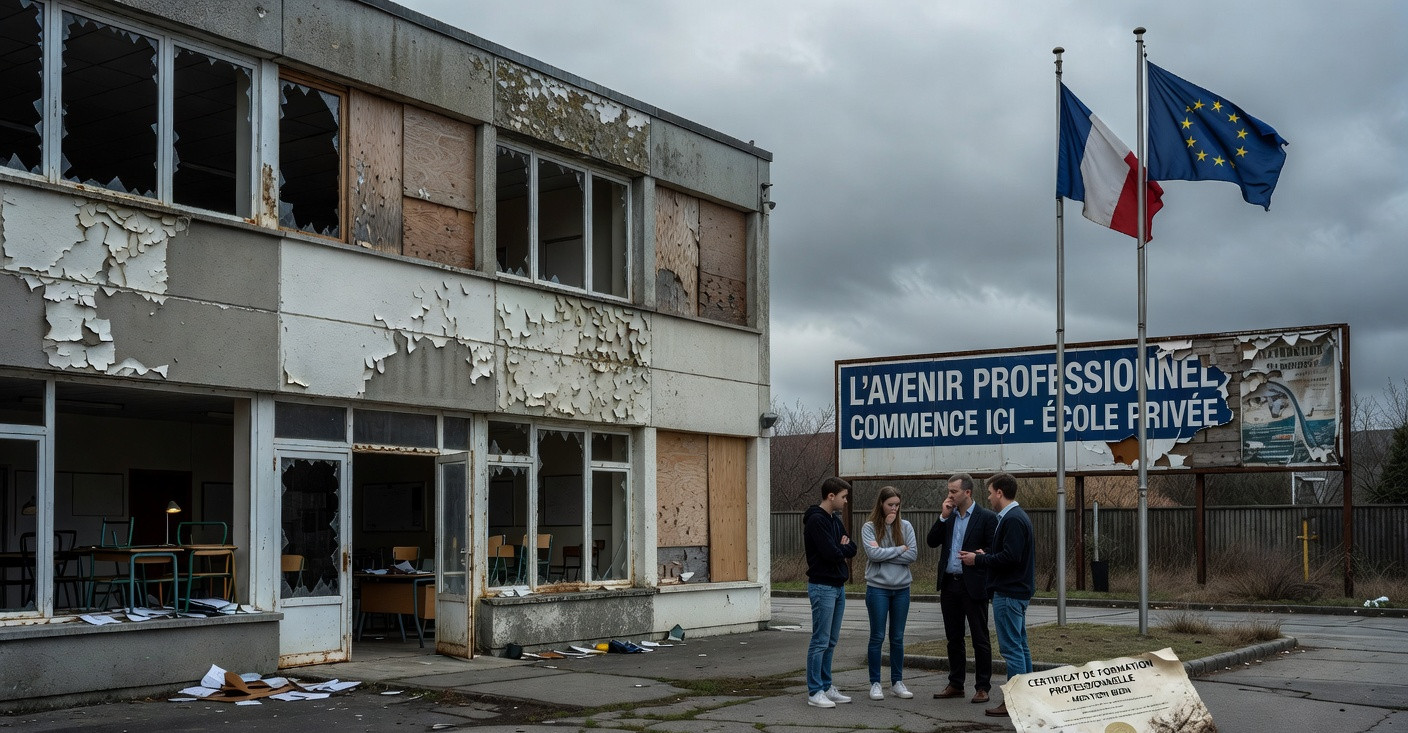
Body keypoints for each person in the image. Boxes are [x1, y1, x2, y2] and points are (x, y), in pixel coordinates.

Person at [960, 472, 1035, 719]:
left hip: (1009, 592)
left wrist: (978, 559)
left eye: (991, 492)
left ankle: (1013, 702)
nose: (989, 497)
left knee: (1011, 649)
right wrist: (988, 553)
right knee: (1020, 646)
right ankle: (1026, 699)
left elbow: (1010, 557)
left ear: (1000, 493)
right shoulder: (1015, 516)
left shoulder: (1012, 519)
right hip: (1016, 591)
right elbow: (1009, 552)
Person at [926, 473, 998, 704]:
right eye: (949, 491)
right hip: (950, 584)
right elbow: (931, 541)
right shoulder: (950, 517)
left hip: (974, 584)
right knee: (953, 637)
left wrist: (979, 555)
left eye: (954, 491)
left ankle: (982, 687)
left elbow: (994, 549)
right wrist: (943, 517)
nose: (950, 495)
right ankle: (956, 684)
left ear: (967, 492)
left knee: (980, 637)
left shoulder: (987, 517)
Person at [803, 477, 858, 708]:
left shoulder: (834, 520)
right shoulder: (816, 520)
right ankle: (815, 691)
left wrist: (842, 547)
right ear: (831, 496)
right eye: (844, 497)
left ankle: (826, 685)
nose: (846, 501)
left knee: (831, 640)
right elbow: (830, 553)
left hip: (838, 586)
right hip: (822, 586)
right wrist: (841, 547)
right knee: (820, 640)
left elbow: (851, 548)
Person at [860, 486, 918, 701]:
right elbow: (873, 554)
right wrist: (899, 549)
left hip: (902, 589)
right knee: (877, 636)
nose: (894, 508)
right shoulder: (870, 528)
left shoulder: (906, 526)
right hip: (878, 589)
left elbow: (912, 554)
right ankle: (875, 683)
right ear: (881, 505)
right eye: (889, 504)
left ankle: (897, 682)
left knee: (898, 637)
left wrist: (892, 553)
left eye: (896, 504)